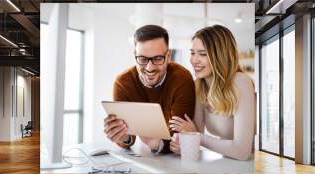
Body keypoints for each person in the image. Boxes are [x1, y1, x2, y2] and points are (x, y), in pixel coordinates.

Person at [104, 25, 195, 154]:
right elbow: (127, 138)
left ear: (168, 56)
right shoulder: (123, 83)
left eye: (158, 58)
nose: (149, 68)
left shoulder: (182, 79)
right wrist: (123, 136)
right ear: (134, 55)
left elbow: (179, 137)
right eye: (142, 59)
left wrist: (157, 144)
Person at [169, 25, 256, 161]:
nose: (194, 60)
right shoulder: (199, 85)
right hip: (227, 161)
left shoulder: (241, 82)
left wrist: (195, 136)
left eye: (203, 54)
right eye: (193, 53)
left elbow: (242, 152)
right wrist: (182, 143)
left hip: (251, 163)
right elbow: (195, 135)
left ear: (220, 57)